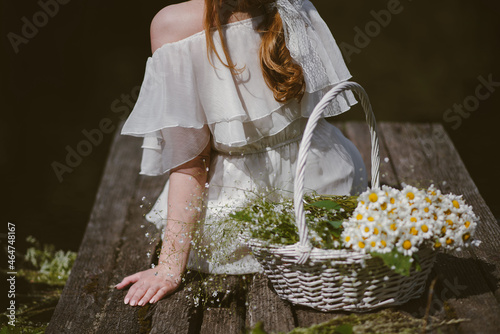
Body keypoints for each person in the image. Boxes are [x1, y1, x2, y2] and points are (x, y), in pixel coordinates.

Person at [116, 0, 367, 307]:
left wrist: (169, 268)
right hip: (328, 189)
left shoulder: (173, 24)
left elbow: (192, 162)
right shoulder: (297, 4)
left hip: (240, 212)